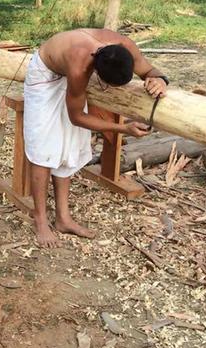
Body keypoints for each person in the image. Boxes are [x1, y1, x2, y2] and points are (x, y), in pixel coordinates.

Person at [24, 28, 168, 247]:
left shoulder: (124, 46)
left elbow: (150, 70)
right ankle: (40, 219)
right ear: (96, 74)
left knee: (69, 144)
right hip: (45, 75)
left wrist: (158, 79)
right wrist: (124, 129)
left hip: (70, 72)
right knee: (43, 148)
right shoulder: (79, 64)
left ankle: (63, 218)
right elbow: (77, 117)